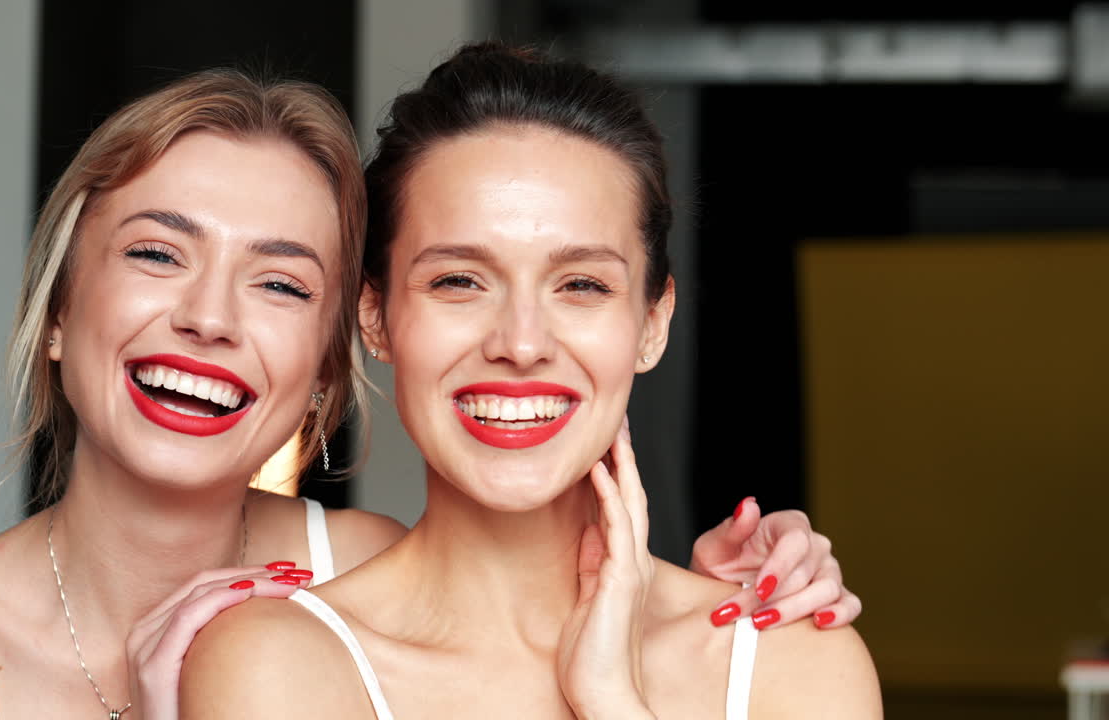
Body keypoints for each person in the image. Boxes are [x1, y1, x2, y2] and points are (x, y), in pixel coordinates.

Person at [0, 66, 854, 720]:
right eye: (155, 253)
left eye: (280, 282)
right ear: (55, 309)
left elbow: (519, 578)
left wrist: (731, 582)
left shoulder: (366, 566)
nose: (210, 318)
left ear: (333, 352)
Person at [181, 44, 880, 719]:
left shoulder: (792, 661)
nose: (520, 343)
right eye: (459, 281)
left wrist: (612, 700)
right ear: (376, 315)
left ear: (651, 324)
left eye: (580, 284)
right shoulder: (275, 661)